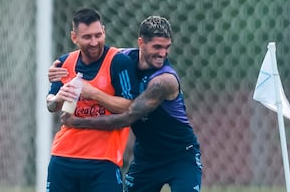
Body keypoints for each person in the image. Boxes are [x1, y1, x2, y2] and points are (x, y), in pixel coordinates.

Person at [59, 16, 203, 192]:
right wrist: (58, 66)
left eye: (167, 47)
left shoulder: (165, 81)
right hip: (146, 158)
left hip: (181, 156)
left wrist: (77, 122)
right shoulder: (123, 58)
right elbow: (89, 57)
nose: (163, 53)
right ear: (141, 42)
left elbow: (126, 118)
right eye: (157, 47)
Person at [45, 8, 139, 192]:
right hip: (63, 157)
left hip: (103, 161)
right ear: (74, 37)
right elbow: (51, 105)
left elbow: (129, 106)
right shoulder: (64, 63)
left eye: (98, 35)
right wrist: (57, 98)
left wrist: (93, 93)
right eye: (87, 37)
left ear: (104, 31)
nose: (95, 42)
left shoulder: (118, 62)